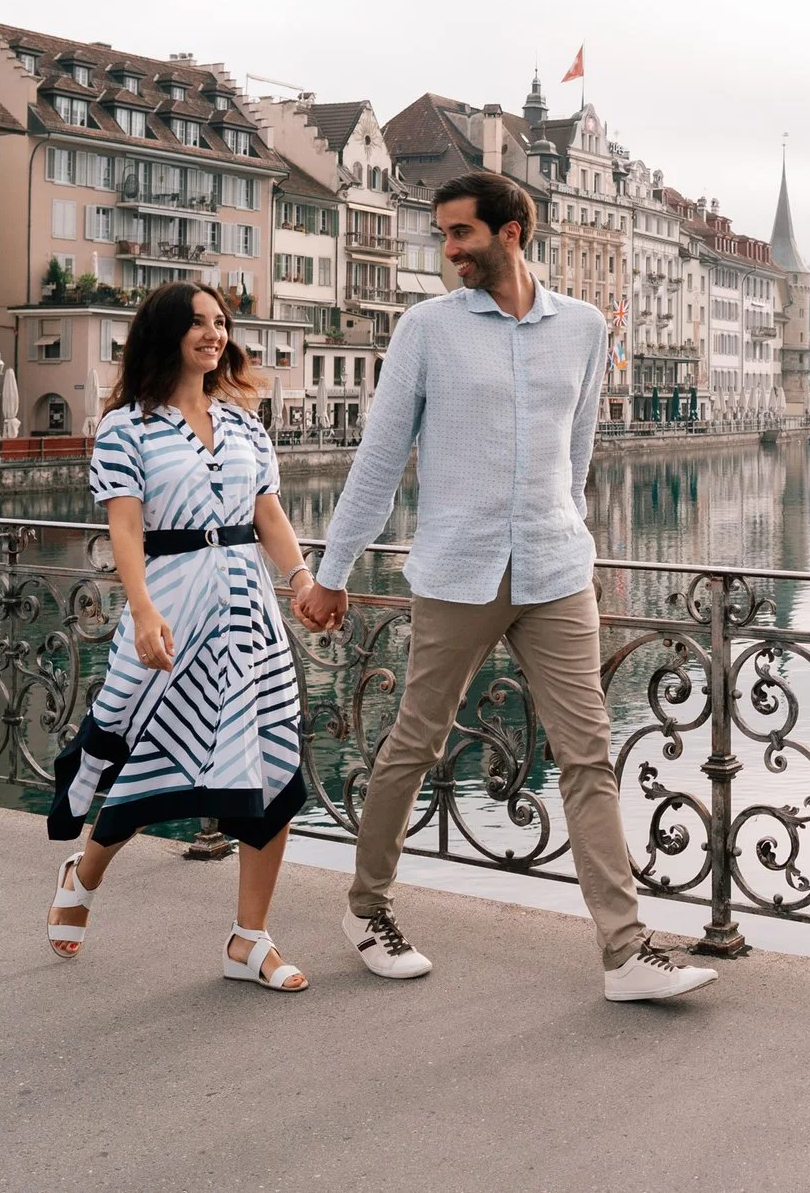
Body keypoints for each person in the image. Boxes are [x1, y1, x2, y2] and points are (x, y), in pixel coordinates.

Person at [294, 170, 715, 1002]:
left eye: (460, 234)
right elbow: (379, 460)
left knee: (587, 754)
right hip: (459, 567)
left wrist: (565, 523)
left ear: (512, 231)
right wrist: (332, 572)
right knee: (415, 742)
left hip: (557, 570)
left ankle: (626, 951)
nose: (448, 250)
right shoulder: (426, 329)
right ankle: (366, 906)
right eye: (443, 235)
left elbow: (580, 448)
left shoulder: (587, 328)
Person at [45, 282, 314, 993]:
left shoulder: (245, 424)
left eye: (221, 321)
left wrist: (302, 581)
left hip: (249, 617)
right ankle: (87, 869)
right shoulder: (127, 427)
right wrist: (140, 610)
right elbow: (125, 529)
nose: (214, 332)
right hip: (171, 608)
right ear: (165, 333)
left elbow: (269, 516)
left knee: (272, 773)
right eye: (197, 322)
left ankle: (248, 939)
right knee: (144, 761)